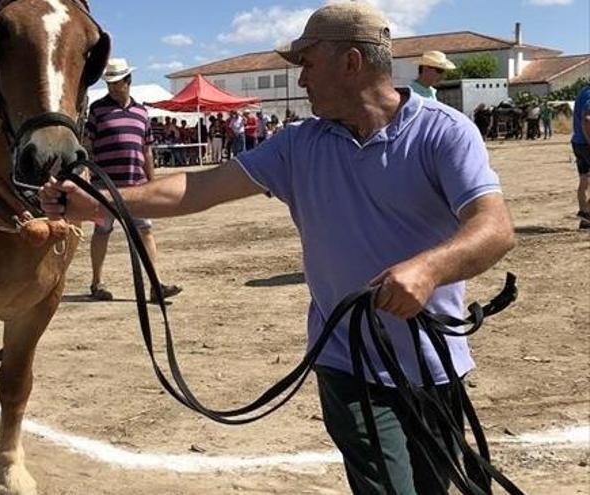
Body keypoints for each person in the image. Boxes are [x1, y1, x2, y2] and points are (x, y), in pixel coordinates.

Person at [41, 4, 515, 494]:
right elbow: (198, 189)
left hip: (431, 364)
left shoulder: (443, 132)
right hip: (346, 361)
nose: (302, 79)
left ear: (351, 62)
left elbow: (494, 227)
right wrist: (99, 203)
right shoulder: (298, 145)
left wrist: (429, 270)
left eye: (308, 63)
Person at [83, 58, 182, 301]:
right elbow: (87, 145)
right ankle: (97, 283)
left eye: (117, 83)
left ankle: (155, 285)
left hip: (136, 185)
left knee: (145, 231)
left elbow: (146, 150)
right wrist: (92, 175)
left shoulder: (141, 112)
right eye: (110, 83)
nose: (112, 88)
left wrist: (152, 182)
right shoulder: (97, 110)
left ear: (128, 81)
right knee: (102, 231)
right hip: (105, 186)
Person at [572, 85, 590, 229]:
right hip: (586, 143)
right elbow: (587, 119)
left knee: (584, 178)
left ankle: (585, 215)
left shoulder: (583, 91)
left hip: (577, 142)